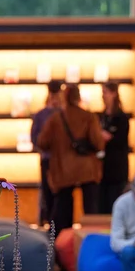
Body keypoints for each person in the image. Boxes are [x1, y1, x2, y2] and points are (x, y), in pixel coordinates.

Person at [36, 84, 104, 238]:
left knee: (64, 210)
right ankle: (90, 239)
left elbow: (42, 142)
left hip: (63, 170)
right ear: (79, 98)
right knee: (90, 210)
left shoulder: (55, 119)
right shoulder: (89, 117)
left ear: (64, 98)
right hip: (87, 169)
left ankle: (63, 243)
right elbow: (98, 143)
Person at [30, 80, 63, 226]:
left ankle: (55, 222)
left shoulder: (58, 114)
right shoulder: (45, 115)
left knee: (59, 193)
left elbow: (35, 138)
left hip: (58, 160)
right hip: (51, 159)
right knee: (48, 192)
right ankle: (49, 221)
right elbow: (35, 138)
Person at [97, 81, 130, 213]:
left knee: (115, 201)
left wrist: (106, 136)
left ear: (114, 94)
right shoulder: (102, 117)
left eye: (105, 93)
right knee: (102, 204)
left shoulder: (121, 118)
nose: (103, 96)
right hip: (102, 168)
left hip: (117, 168)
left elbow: (120, 140)